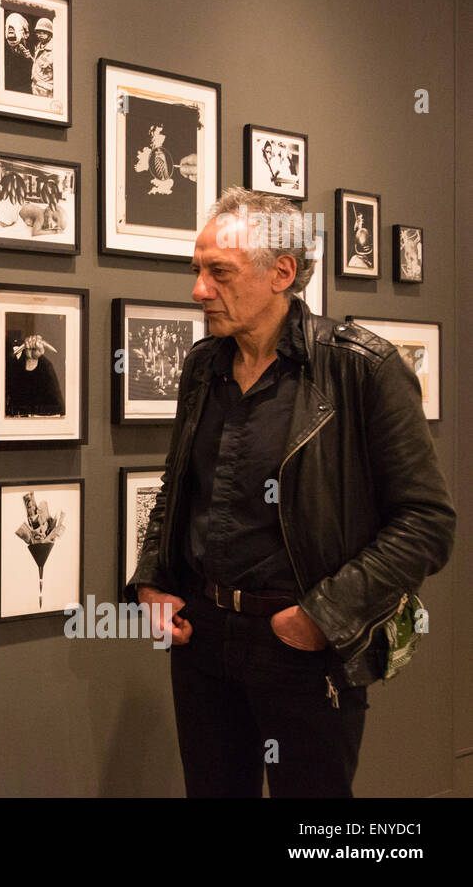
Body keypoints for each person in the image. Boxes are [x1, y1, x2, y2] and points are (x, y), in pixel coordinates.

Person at [127, 187, 455, 797]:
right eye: (197, 270)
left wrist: (320, 617)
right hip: (203, 640)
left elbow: (426, 522)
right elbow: (179, 484)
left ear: (282, 272)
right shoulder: (203, 365)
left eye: (218, 272)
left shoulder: (362, 368)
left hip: (302, 646)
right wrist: (152, 581)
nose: (199, 289)